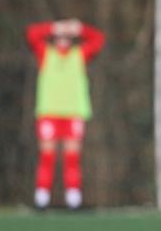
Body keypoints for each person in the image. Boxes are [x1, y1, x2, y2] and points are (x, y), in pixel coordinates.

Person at [26, 18, 105, 210]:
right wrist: (54, 26)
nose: (63, 39)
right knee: (47, 156)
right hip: (50, 112)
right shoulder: (46, 54)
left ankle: (73, 199)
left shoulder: (79, 55)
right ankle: (42, 198)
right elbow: (32, 34)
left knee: (72, 158)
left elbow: (98, 40)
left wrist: (80, 28)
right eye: (60, 35)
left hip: (73, 112)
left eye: (67, 36)